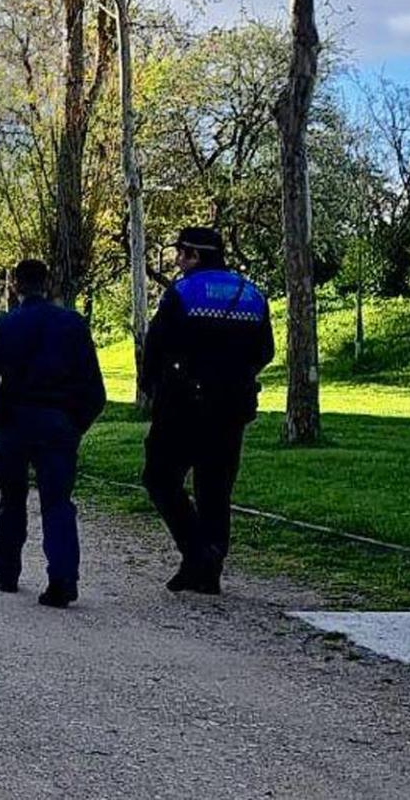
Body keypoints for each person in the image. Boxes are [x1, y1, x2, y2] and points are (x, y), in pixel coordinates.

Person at [140, 227, 273, 595]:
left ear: (195, 256)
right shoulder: (252, 294)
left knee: (160, 477)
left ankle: (198, 552)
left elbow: (156, 347)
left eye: (181, 253)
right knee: (215, 488)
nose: (178, 261)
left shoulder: (182, 293)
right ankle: (209, 567)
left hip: (182, 406)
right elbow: (266, 352)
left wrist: (153, 388)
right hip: (233, 408)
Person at [0, 260, 106, 608]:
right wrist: (76, 423)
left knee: (12, 498)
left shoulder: (4, 325)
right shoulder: (74, 325)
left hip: (15, 421)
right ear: (48, 283)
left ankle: (6, 571)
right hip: (59, 422)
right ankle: (63, 578)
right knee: (58, 502)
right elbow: (94, 388)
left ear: (15, 285)